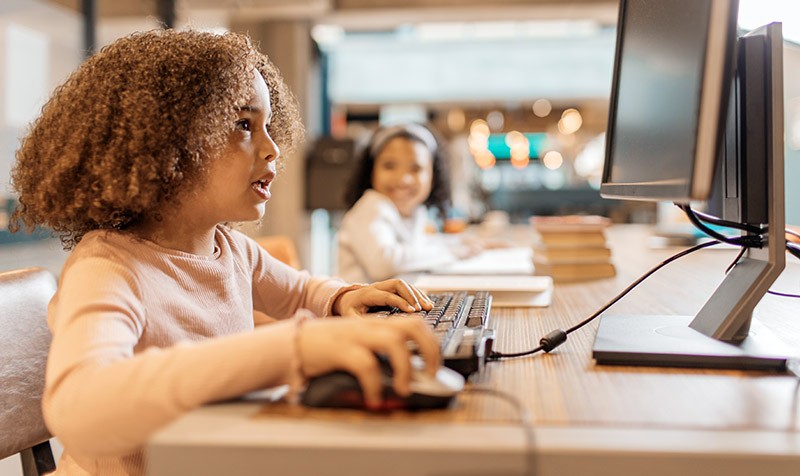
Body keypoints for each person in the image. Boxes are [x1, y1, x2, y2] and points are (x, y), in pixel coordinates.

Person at [10, 30, 438, 476]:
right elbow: (81, 409)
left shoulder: (231, 249)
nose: (272, 148)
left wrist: (342, 298)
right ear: (165, 143)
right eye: (243, 125)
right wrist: (293, 348)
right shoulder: (107, 269)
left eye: (269, 126)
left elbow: (301, 293)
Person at [337, 123, 482, 283]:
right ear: (371, 171)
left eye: (415, 168)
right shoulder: (371, 206)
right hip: (359, 307)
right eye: (389, 166)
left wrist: (463, 243)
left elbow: (419, 245)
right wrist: (452, 252)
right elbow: (384, 263)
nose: (403, 179)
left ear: (433, 177)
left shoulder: (415, 212)